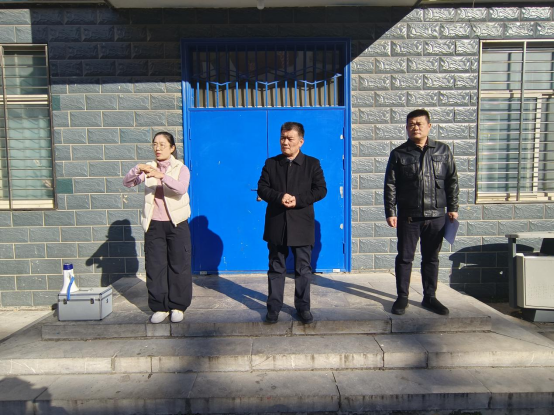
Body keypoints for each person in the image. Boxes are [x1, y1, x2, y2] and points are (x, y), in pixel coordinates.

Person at [384, 109, 459, 316]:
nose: (415, 127)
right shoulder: (399, 153)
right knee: (405, 258)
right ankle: (402, 297)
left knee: (431, 258)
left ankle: (430, 297)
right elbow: (390, 185)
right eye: (411, 124)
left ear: (429, 126)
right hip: (409, 216)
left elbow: (452, 180)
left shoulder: (443, 151)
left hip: (436, 216)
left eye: (419, 124)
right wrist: (391, 211)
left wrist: (453, 208)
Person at [258, 122, 327, 325]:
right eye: (282, 138)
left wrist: (298, 200)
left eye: (290, 139)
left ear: (301, 141)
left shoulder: (312, 164)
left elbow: (321, 190)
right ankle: (273, 308)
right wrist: (280, 197)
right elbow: (262, 188)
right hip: (277, 224)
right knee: (276, 268)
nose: (285, 142)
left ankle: (303, 307)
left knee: (303, 269)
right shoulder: (271, 163)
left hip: (302, 224)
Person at [123, 132, 192, 324]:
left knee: (179, 265)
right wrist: (137, 169)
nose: (157, 148)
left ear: (172, 148)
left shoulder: (181, 168)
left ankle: (178, 306)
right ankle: (160, 307)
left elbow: (181, 188)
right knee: (155, 266)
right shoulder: (148, 167)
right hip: (154, 224)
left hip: (177, 224)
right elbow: (127, 183)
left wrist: (161, 176)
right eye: (155, 144)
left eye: (162, 144)